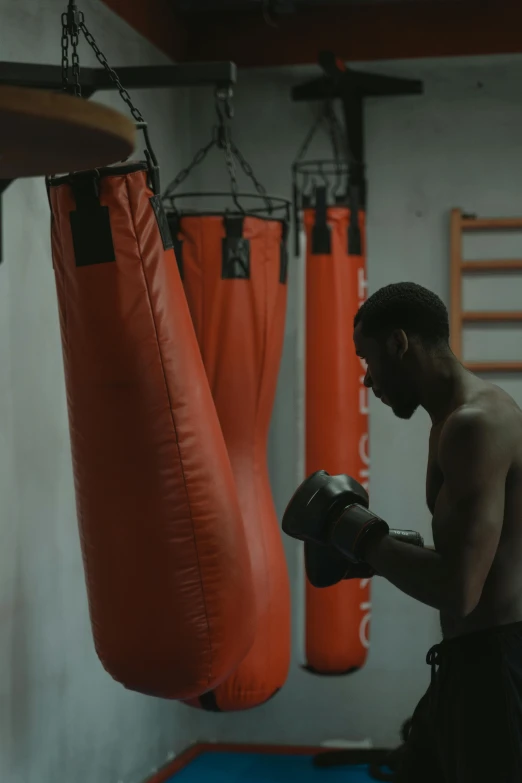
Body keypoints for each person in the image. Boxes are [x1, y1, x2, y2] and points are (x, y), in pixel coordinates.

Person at [350, 281, 522, 782]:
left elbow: (459, 588)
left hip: (495, 670)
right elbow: (468, 557)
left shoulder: (476, 425)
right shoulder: (448, 420)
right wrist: (383, 552)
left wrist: (363, 538)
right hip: (467, 664)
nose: (367, 380)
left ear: (399, 343)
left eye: (368, 359)